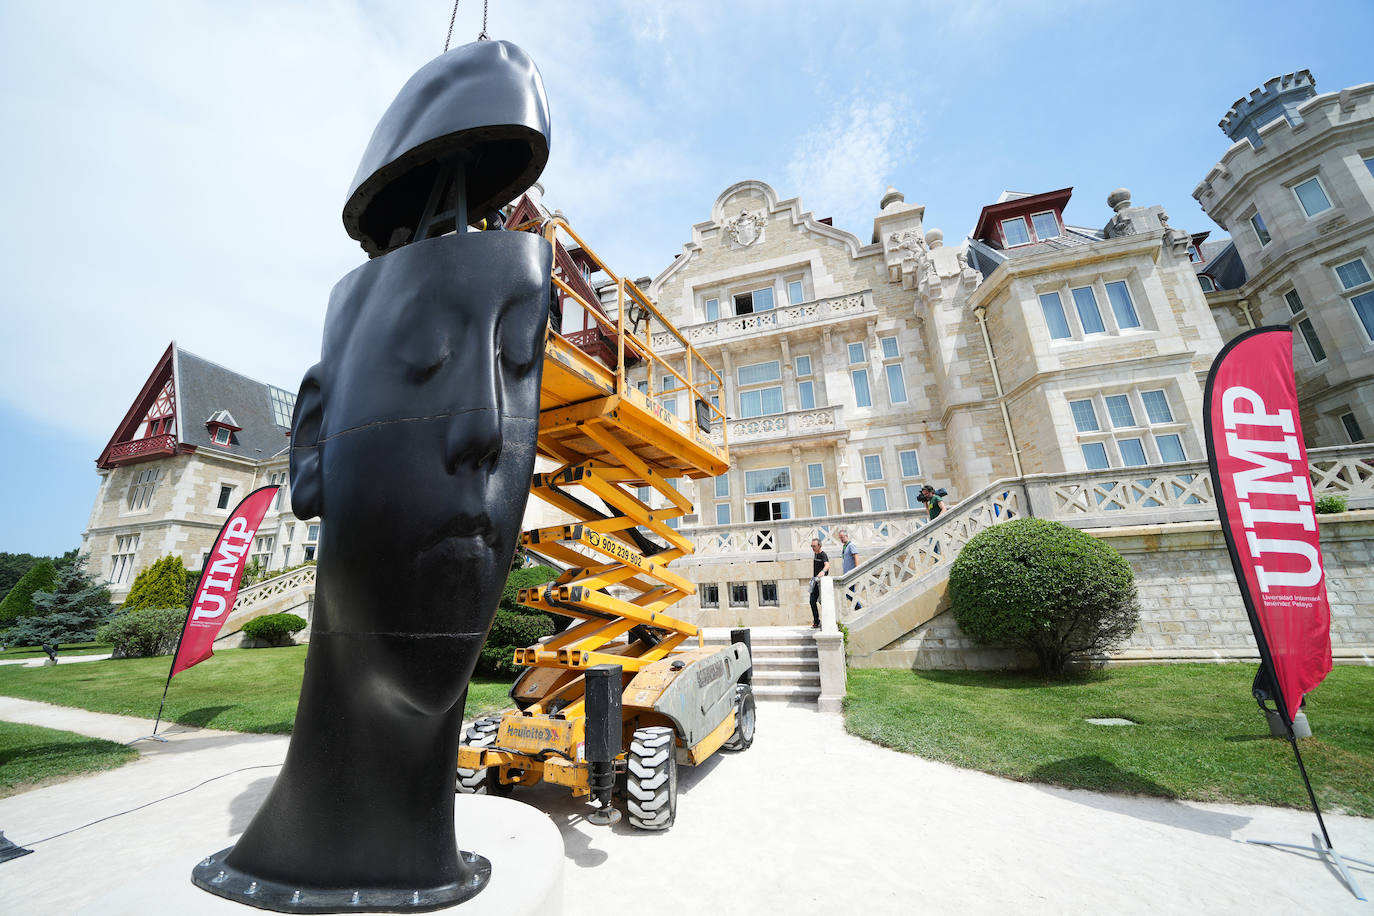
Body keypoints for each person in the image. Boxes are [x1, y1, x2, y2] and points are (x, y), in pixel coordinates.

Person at [808, 537, 830, 629]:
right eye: (811, 546)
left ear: (819, 546)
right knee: (812, 601)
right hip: (815, 582)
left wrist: (823, 572)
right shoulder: (815, 554)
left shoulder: (823, 555)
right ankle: (816, 622)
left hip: (822, 583)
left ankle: (828, 620)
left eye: (814, 546)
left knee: (823, 602)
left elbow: (827, 564)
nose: (812, 548)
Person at [837, 528, 861, 612]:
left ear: (846, 536)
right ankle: (857, 608)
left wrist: (856, 570)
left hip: (851, 573)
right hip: (846, 574)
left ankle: (859, 608)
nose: (841, 539)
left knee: (849, 593)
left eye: (842, 537)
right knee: (849, 593)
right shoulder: (845, 547)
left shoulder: (851, 545)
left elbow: (856, 557)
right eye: (840, 538)